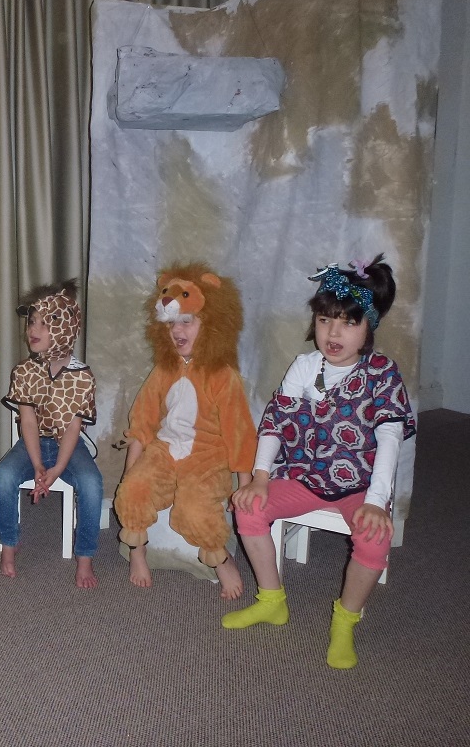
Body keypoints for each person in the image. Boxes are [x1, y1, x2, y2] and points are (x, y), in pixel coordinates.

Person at [222, 255, 416, 670]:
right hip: (306, 476)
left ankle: (345, 619)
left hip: (360, 485)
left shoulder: (382, 373)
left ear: (369, 328)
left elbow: (389, 441)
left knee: (374, 537)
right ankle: (272, 599)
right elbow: (275, 422)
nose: (334, 332)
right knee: (248, 507)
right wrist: (258, 477)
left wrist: (376, 500)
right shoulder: (304, 366)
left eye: (348, 322)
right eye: (326, 320)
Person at [113, 265, 257, 599]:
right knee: (133, 491)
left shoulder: (223, 375)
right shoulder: (164, 369)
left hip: (207, 455)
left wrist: (243, 487)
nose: (177, 330)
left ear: (211, 325)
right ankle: (137, 553)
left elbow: (239, 433)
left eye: (187, 321)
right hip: (165, 449)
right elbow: (143, 422)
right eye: (172, 323)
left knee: (194, 510)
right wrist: (130, 472)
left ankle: (221, 562)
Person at [0, 280, 103, 588]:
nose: (34, 329)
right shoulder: (24, 372)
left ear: (67, 327)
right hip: (33, 443)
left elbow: (72, 429)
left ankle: (85, 558)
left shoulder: (82, 377)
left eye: (45, 323)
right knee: (4, 475)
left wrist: (56, 468)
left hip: (68, 446)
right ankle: (9, 545)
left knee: (92, 484)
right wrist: (38, 463)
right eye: (32, 322)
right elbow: (26, 422)